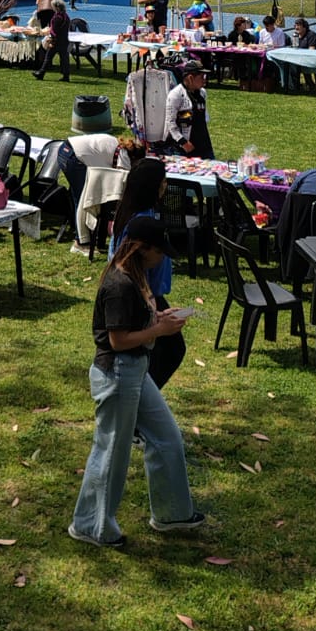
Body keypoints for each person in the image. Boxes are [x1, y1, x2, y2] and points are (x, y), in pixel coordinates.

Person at [68, 218, 203, 547]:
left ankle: (172, 513)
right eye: (160, 251)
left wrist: (158, 318)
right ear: (142, 249)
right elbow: (118, 341)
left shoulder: (136, 275)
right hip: (117, 374)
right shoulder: (119, 285)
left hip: (137, 371)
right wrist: (159, 331)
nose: (162, 257)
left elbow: (134, 322)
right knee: (111, 452)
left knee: (166, 436)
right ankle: (91, 526)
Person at [110, 157, 185, 387]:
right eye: (163, 182)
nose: (165, 186)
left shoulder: (132, 212)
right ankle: (143, 396)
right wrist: (152, 308)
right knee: (167, 351)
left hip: (149, 294)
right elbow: (117, 340)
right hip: (144, 293)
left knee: (168, 350)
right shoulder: (140, 224)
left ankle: (146, 395)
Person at [54, 131, 140, 254]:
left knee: (77, 198)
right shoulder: (124, 157)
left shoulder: (117, 144)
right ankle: (80, 243)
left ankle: (81, 234)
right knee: (83, 200)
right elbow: (122, 180)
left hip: (65, 150)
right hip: (74, 157)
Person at [166, 60, 212, 158]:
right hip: (185, 147)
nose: (204, 80)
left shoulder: (202, 93)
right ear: (191, 78)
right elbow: (170, 122)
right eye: (201, 77)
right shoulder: (176, 95)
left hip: (203, 143)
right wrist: (183, 142)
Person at [33, 0, 71, 82]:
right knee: (64, 59)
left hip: (56, 41)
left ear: (56, 7)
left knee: (48, 57)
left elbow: (54, 30)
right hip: (64, 40)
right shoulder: (65, 16)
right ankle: (66, 76)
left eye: (52, 5)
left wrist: (51, 39)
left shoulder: (57, 17)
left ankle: (41, 73)